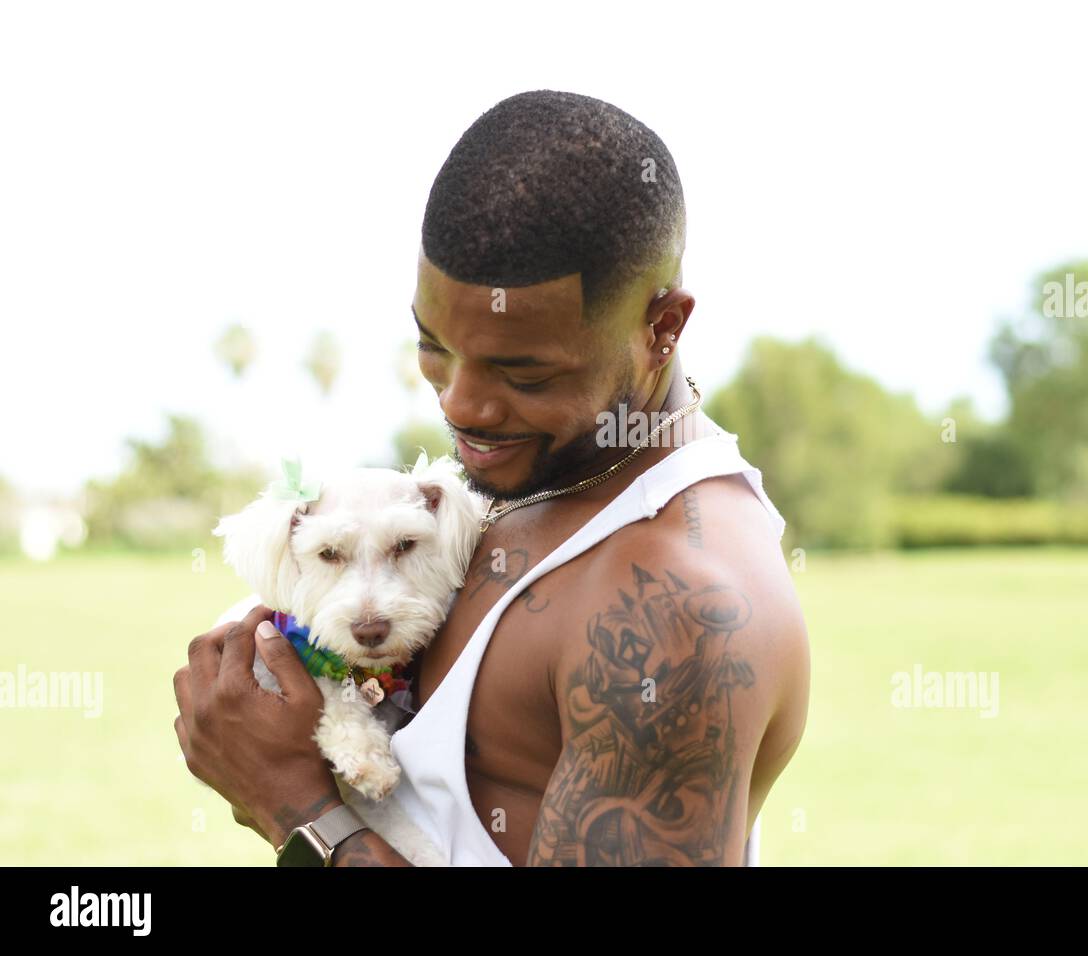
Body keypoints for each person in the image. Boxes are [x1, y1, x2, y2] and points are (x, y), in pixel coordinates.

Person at [174, 89, 811, 866]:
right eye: (434, 344)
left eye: (524, 371)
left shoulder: (673, 611)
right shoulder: (516, 487)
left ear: (662, 328)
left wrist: (299, 810)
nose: (460, 403)